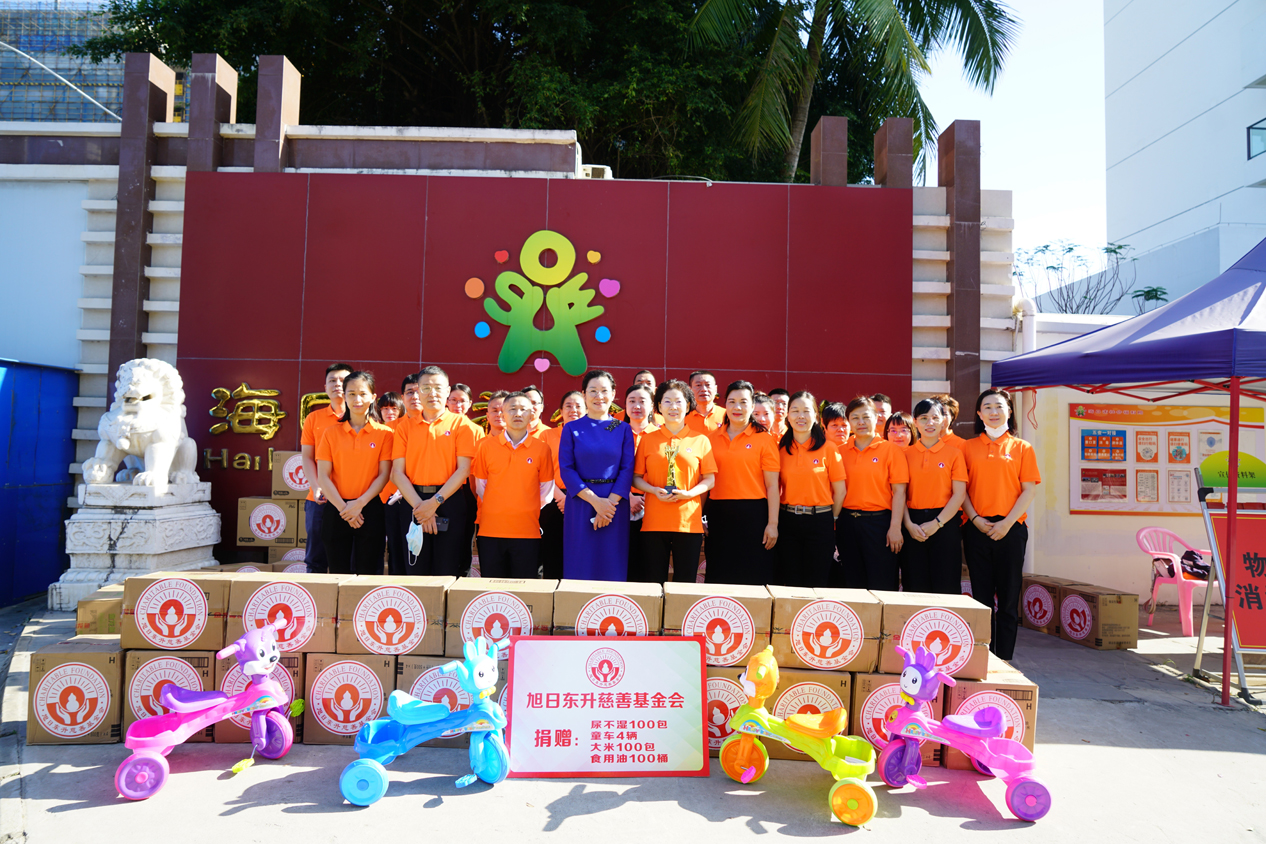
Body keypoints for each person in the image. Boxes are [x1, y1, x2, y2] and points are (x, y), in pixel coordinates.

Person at [962, 389, 1041, 660]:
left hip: (1011, 529)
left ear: (1009, 411)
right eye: (987, 407)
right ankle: (982, 658)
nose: (993, 412)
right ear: (979, 413)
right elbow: (961, 491)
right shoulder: (967, 448)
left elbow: (1028, 490)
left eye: (999, 406)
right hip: (977, 528)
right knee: (981, 599)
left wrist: (1007, 524)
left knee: (1008, 599)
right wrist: (975, 519)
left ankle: (1004, 659)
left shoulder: (1022, 447)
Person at [390, 365, 478, 576]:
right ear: (418, 391)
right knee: (415, 571)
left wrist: (434, 503)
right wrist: (421, 508)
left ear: (447, 391)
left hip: (449, 500)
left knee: (447, 570)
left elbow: (463, 469)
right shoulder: (405, 428)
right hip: (413, 501)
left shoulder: (461, 425)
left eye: (438, 388)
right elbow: (397, 473)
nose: (432, 393)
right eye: (426, 388)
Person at [634, 380, 717, 582]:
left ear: (687, 406)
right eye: (667, 401)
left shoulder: (701, 440)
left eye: (679, 402)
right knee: (653, 581)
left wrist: (689, 494)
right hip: (654, 521)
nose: (673, 407)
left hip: (688, 522)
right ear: (659, 406)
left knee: (685, 583)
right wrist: (654, 490)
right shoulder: (648, 440)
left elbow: (710, 479)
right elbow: (636, 478)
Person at [315, 371, 393, 575]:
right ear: (344, 396)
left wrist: (359, 504)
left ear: (373, 397)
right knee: (337, 572)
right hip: (336, 508)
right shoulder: (330, 433)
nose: (357, 399)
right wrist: (344, 509)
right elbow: (323, 476)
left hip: (370, 508)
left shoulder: (385, 434)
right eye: (351, 394)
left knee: (368, 572)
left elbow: (384, 475)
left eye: (362, 394)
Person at [559, 370, 635, 580]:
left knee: (612, 562)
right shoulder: (572, 428)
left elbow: (627, 468)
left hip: (614, 504)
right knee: (580, 562)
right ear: (584, 394)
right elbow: (567, 469)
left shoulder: (622, 428)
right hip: (581, 501)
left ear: (613, 394)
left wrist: (608, 506)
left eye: (604, 391)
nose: (598, 396)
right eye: (593, 391)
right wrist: (595, 502)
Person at [471, 392, 555, 578]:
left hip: (527, 532)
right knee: (492, 587)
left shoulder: (542, 449)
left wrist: (525, 508)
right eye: (512, 409)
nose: (518, 414)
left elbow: (546, 491)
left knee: (525, 587)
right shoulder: (486, 447)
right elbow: (481, 487)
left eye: (523, 409)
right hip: (491, 530)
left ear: (532, 414)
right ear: (503, 414)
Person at [706, 380, 779, 585]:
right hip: (718, 513)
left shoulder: (764, 439)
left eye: (743, 402)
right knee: (720, 574)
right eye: (732, 401)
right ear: (725, 404)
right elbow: (704, 481)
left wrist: (773, 524)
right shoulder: (710, 439)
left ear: (752, 405)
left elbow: (772, 486)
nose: (737, 407)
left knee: (753, 575)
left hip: (754, 515)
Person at [835, 395, 909, 590]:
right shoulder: (839, 451)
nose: (860, 422)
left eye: (866, 417)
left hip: (879, 525)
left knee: (882, 583)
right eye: (855, 417)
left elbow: (899, 492)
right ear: (848, 421)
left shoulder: (891, 450)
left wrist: (895, 527)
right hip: (847, 523)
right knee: (852, 582)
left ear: (876, 418)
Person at [774, 391, 845, 586]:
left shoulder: (828, 448)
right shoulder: (780, 448)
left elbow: (840, 491)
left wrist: (832, 518)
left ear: (815, 416)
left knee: (817, 581)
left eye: (806, 411)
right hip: (787, 521)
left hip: (820, 521)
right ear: (788, 415)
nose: (801, 416)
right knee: (790, 580)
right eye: (795, 411)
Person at [901, 398, 968, 594]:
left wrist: (937, 523)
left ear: (943, 421)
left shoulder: (955, 454)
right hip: (912, 524)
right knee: (914, 584)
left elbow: (959, 494)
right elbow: (899, 494)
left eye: (935, 418)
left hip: (945, 523)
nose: (929, 423)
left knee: (946, 585)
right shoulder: (905, 454)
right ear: (915, 422)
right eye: (923, 418)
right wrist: (908, 525)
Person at [300, 362, 354, 574]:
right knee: (316, 560)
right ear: (325, 387)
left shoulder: (363, 418)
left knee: (351, 560)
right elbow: (307, 457)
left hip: (353, 499)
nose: (337, 384)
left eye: (343, 380)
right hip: (319, 499)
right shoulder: (314, 418)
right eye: (332, 380)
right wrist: (316, 486)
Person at [539, 390, 586, 579]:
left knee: (581, 553)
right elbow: (541, 471)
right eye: (568, 406)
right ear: (560, 411)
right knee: (553, 553)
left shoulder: (593, 436)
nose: (573, 410)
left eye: (578, 406)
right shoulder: (547, 435)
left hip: (585, 499)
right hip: (553, 498)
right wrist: (561, 498)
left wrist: (575, 497)